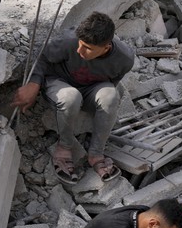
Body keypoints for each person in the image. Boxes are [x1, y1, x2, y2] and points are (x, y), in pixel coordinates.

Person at [11, 12, 134, 184]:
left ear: (106, 48)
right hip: (59, 82)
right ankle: (64, 148)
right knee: (71, 97)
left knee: (111, 95)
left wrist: (102, 106)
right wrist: (34, 84)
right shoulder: (70, 41)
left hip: (90, 87)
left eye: (88, 48)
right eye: (80, 44)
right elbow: (43, 57)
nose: (79, 51)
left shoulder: (125, 59)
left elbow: (112, 82)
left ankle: (96, 154)